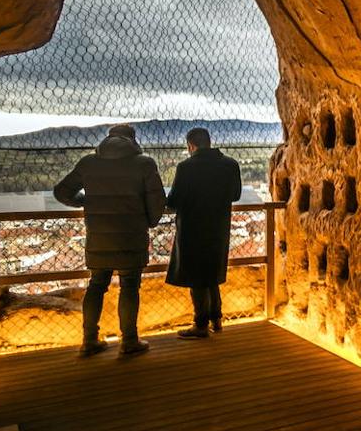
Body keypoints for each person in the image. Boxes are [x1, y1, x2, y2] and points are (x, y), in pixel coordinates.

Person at [53, 123, 165, 357]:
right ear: (132, 140)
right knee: (130, 286)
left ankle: (89, 340)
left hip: (99, 236)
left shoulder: (88, 163)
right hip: (131, 235)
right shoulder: (144, 164)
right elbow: (156, 201)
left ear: (108, 138)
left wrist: (85, 201)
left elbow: (62, 191)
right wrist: (150, 221)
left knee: (96, 286)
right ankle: (130, 341)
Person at [166, 127, 242, 339]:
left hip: (192, 228)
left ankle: (200, 325)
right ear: (209, 142)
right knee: (211, 274)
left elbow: (173, 201)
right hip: (219, 227)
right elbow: (235, 195)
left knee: (196, 276)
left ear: (191, 145)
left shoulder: (186, 167)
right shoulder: (230, 164)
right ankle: (216, 319)